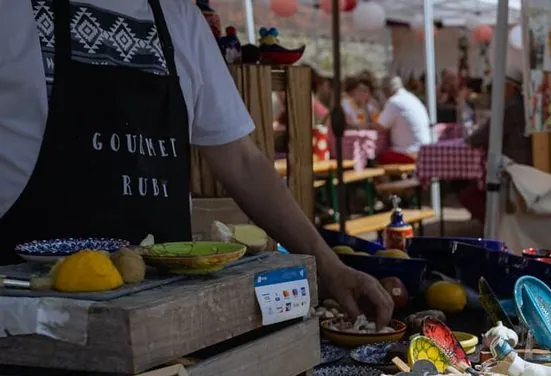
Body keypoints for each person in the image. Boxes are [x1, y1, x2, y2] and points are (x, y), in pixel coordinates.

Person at [0, 0, 391, 326]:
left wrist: (329, 266)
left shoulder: (179, 18)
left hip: (166, 319)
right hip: (27, 322)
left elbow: (242, 162)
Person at [461, 50, 531, 223]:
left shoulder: (509, 107)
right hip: (517, 164)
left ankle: (493, 226)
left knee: (470, 194)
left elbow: (485, 135)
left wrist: (470, 139)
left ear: (510, 87)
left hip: (512, 167)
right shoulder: (518, 104)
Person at [374, 76, 432, 165]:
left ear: (386, 90)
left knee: (376, 158)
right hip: (424, 150)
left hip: (409, 152)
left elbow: (380, 126)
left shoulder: (394, 101)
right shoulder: (411, 98)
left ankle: (388, 179)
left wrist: (365, 125)